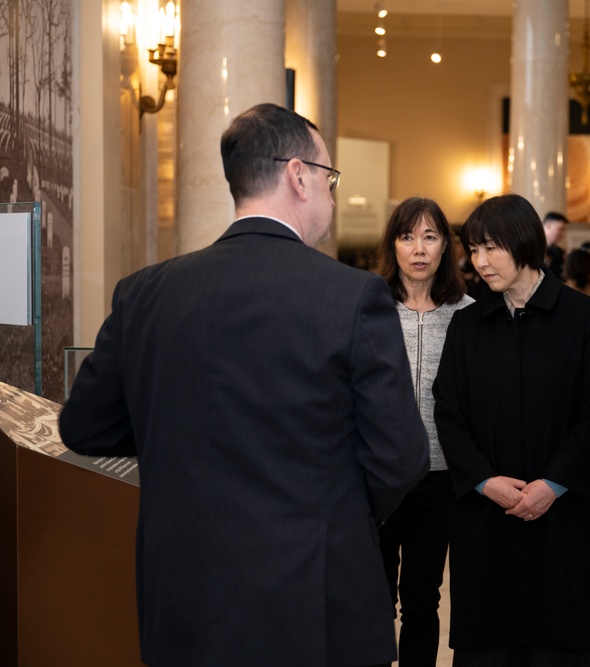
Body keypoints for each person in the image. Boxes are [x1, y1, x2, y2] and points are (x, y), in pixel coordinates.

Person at [58, 103, 429, 667]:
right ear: (298, 176)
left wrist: (179, 446)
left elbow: (84, 426)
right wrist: (333, 511)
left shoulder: (145, 293)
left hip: (184, 598)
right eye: (329, 178)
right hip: (314, 601)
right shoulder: (352, 296)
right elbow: (400, 457)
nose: (330, 194)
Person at [433, 194, 590, 666]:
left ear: (526, 241)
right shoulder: (468, 324)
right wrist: (485, 481)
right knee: (490, 643)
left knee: (562, 640)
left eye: (491, 247)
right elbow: (448, 412)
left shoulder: (584, 316)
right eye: (473, 249)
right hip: (488, 517)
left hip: (563, 514)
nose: (481, 262)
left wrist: (552, 485)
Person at [373, 197, 474, 666]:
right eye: (407, 236)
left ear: (446, 247)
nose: (419, 248)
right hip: (377, 476)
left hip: (440, 478)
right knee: (372, 594)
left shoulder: (468, 313)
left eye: (430, 236)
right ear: (392, 245)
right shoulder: (368, 309)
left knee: (422, 597)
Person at [542, 210, 569, 280]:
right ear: (548, 225)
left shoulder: (559, 252)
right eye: (560, 229)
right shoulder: (531, 247)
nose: (563, 234)